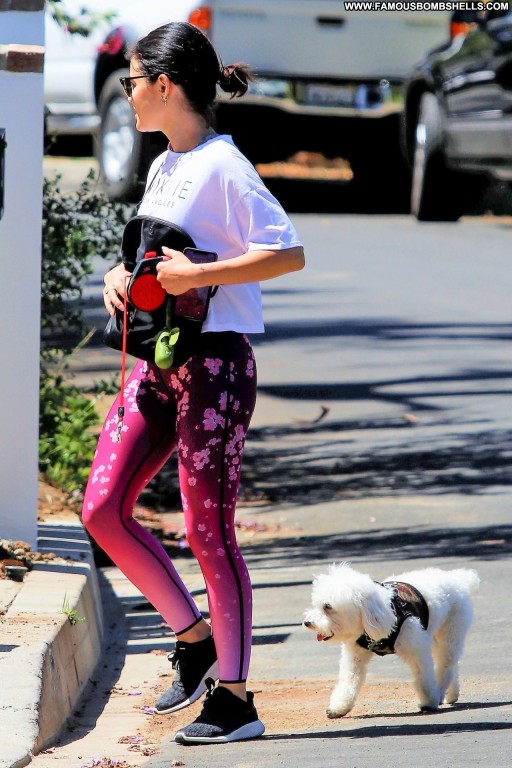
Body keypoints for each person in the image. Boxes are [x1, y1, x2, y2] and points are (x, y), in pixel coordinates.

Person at [81, 21, 304, 745]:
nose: (128, 93)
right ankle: (195, 638)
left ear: (165, 84)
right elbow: (154, 259)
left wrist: (199, 276)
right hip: (156, 365)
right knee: (101, 509)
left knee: (210, 531)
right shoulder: (165, 164)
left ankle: (235, 701)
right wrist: (121, 276)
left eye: (132, 81)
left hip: (214, 369)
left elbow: (287, 252)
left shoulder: (224, 165)